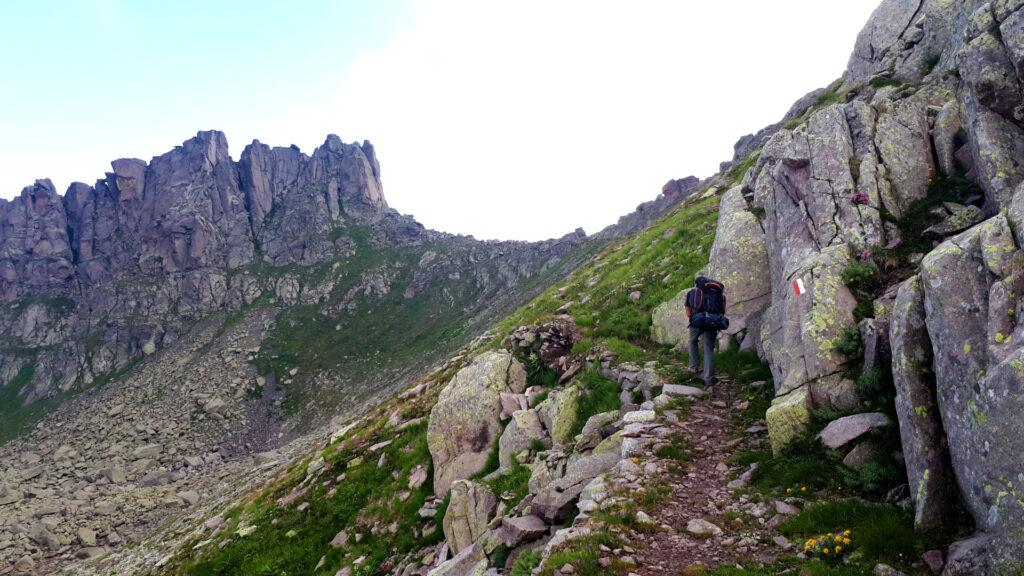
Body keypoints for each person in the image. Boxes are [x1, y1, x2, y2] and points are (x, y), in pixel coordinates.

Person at [684, 276, 728, 384]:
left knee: (693, 341)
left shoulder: (692, 293)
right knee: (709, 348)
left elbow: (688, 312)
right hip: (712, 322)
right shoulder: (719, 295)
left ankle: (693, 367)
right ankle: (708, 378)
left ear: (697, 284)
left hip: (697, 321)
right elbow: (723, 311)